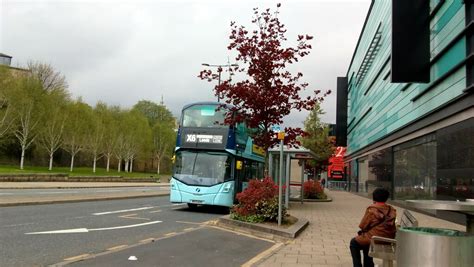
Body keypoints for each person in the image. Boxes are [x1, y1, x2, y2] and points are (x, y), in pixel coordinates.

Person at [350, 188, 396, 267]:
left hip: (376, 239)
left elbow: (362, 225)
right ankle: (369, 264)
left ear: (374, 198)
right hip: (388, 239)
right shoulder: (391, 209)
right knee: (366, 241)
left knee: (354, 243)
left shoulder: (372, 209)